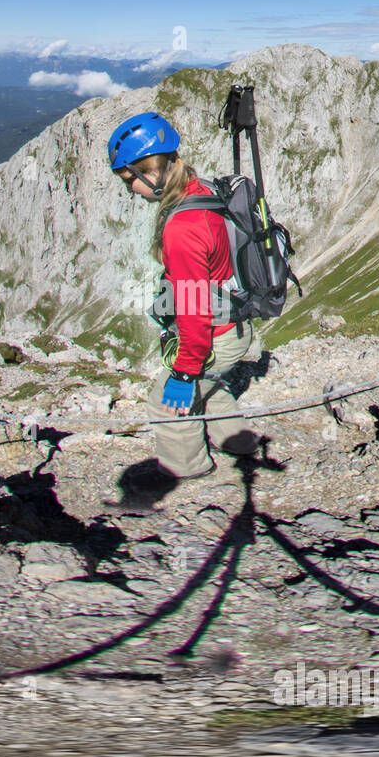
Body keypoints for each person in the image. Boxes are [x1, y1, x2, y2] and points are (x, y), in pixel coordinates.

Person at [108, 110, 262, 486]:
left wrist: (182, 371)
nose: (130, 189)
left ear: (154, 171)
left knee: (169, 397)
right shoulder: (202, 189)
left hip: (216, 332)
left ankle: (188, 470)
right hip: (236, 323)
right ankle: (238, 442)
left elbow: (194, 313)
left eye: (131, 179)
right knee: (207, 383)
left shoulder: (182, 228)